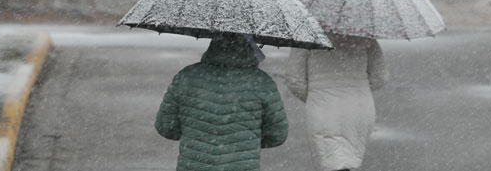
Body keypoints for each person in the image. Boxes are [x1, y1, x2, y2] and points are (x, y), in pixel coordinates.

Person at [155, 33, 288, 170]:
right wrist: (246, 141)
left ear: (212, 44)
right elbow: (277, 135)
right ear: (250, 48)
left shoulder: (186, 76)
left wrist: (194, 135)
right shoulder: (262, 82)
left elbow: (165, 127)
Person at [285, 33, 387, 171]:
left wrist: (314, 96)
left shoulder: (306, 35)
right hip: (358, 107)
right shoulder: (364, 36)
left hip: (323, 108)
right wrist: (358, 89)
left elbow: (295, 80)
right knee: (351, 157)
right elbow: (380, 76)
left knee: (329, 159)